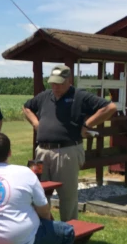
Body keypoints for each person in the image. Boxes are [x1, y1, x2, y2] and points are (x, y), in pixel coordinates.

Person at [23, 65, 117, 222]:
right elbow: (27, 107)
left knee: (67, 195)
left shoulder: (80, 96)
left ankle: (70, 230)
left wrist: (87, 125)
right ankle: (44, 228)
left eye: (59, 83)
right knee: (38, 192)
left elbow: (110, 107)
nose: (56, 87)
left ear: (69, 80)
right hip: (41, 153)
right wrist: (36, 123)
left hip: (67, 151)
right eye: (53, 83)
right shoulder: (45, 96)